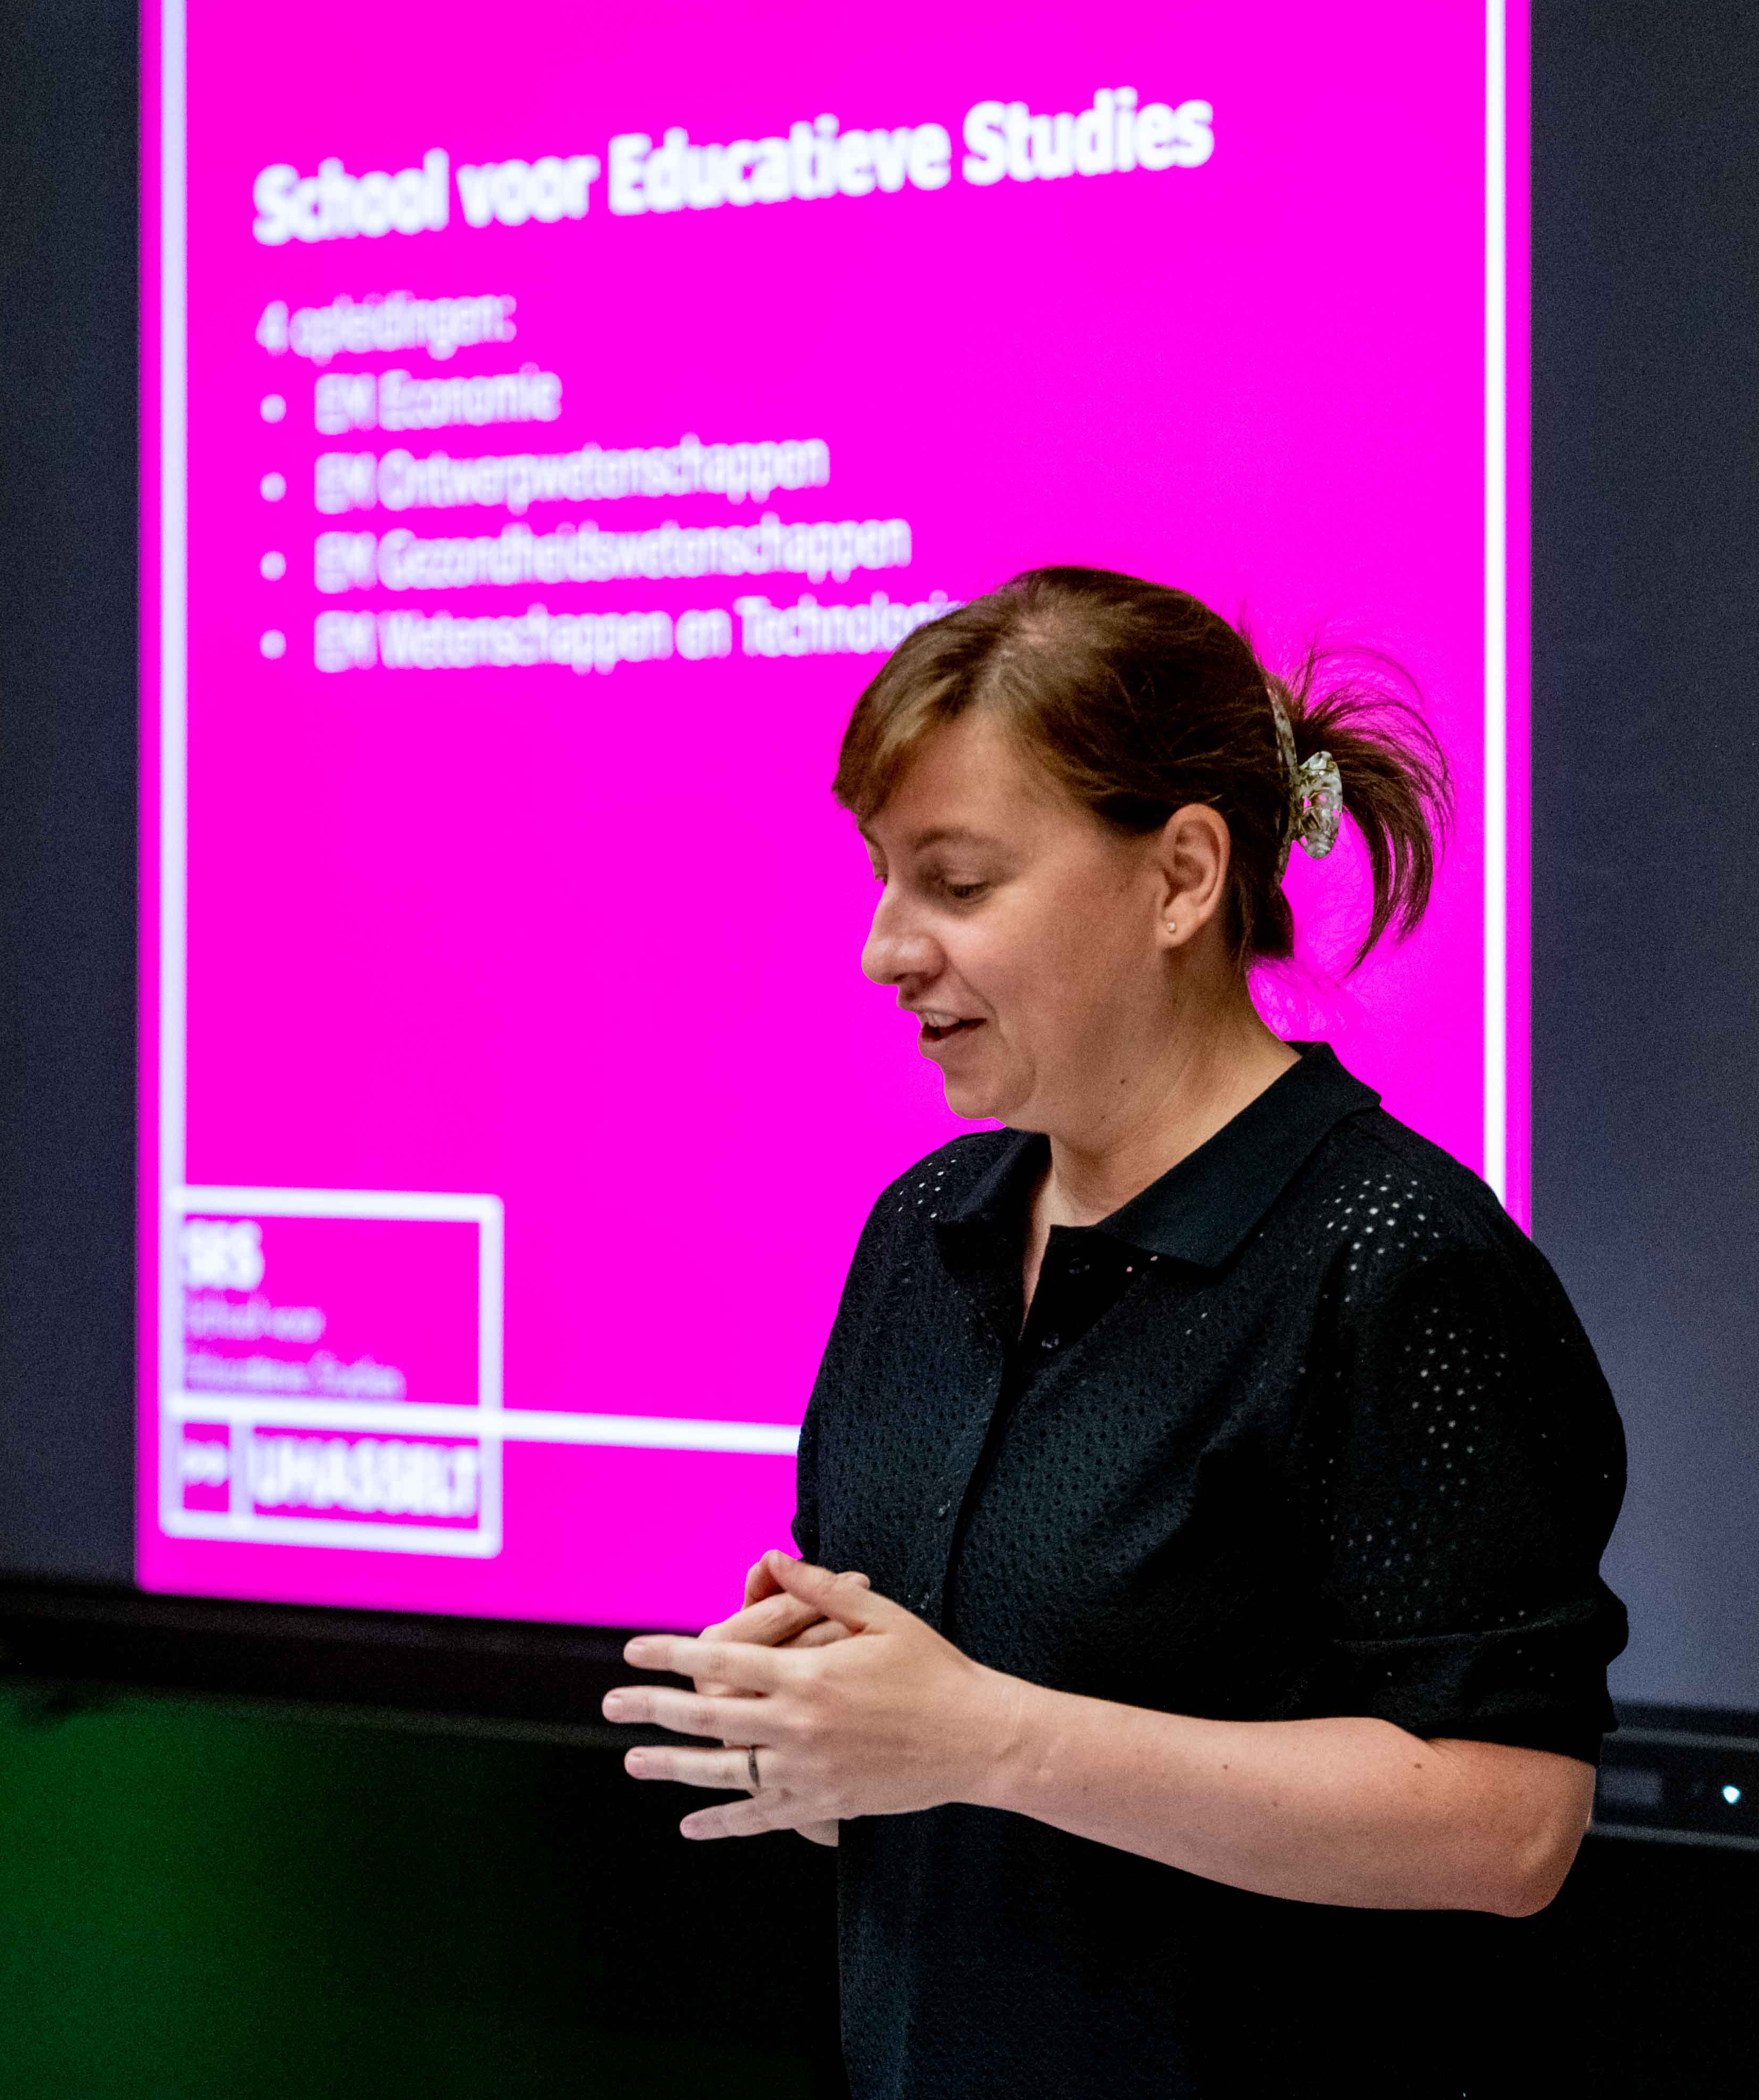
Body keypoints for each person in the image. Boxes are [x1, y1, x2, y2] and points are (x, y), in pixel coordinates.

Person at [602, 567, 1628, 2096]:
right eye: (883, 880)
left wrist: (989, 1737)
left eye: (957, 886)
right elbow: (950, 1762)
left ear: (1183, 878)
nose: (887, 950)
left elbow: (1512, 1824)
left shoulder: (1389, 1258)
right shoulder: (928, 1231)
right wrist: (821, 1729)